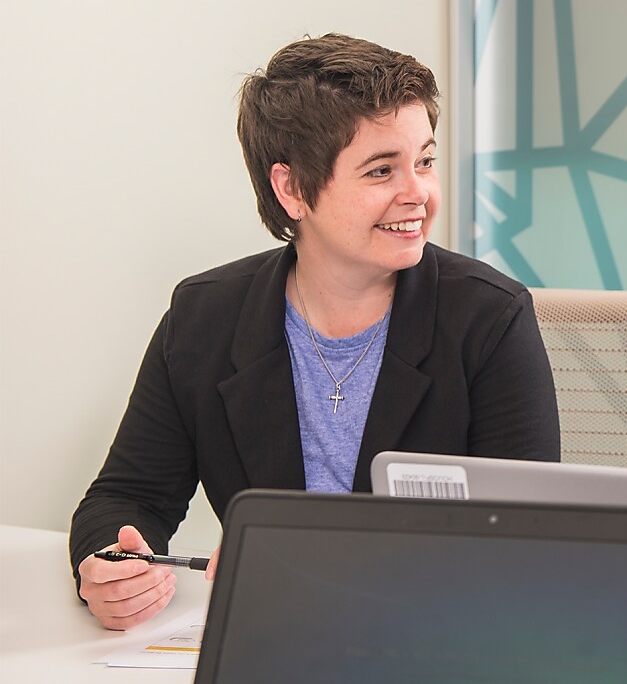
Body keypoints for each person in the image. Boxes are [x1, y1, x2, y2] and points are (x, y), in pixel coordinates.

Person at [70, 33, 560, 629]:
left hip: (433, 642)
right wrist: (110, 567)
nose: (419, 194)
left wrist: (309, 567)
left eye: (425, 161)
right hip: (273, 638)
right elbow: (127, 498)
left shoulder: (489, 317)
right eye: (382, 170)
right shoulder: (205, 317)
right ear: (293, 190)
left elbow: (528, 542)